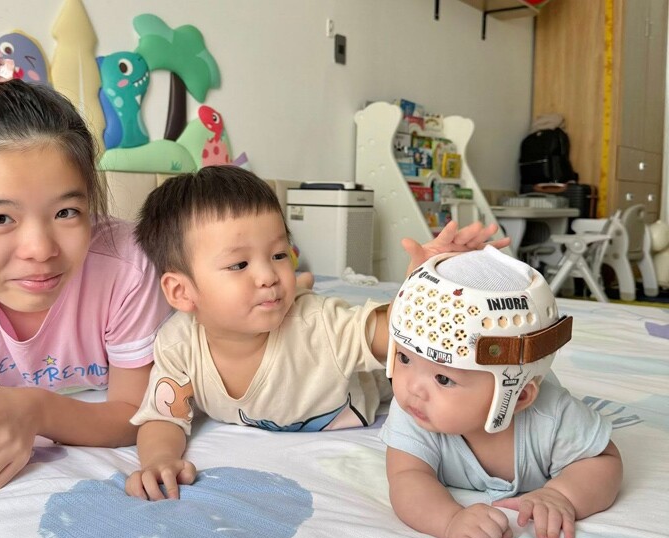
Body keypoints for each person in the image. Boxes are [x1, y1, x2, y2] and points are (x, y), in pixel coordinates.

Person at [0, 21, 171, 491]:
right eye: (0, 218)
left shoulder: (127, 262)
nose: (41, 249)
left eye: (66, 212)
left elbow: (134, 414)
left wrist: (36, 410)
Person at [125, 166, 507, 500]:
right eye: (239, 264)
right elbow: (164, 417)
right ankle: (307, 282)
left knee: (392, 344)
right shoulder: (178, 344)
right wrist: (160, 460)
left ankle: (306, 286)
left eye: (279, 255)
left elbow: (396, 333)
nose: (268, 275)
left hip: (373, 375)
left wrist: (423, 286)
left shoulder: (318, 326)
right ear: (181, 292)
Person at [381, 246, 622, 538]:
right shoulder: (414, 413)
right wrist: (449, 521)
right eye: (404, 358)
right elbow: (406, 479)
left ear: (518, 397)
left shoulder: (552, 416)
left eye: (443, 378)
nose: (413, 388)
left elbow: (604, 461)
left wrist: (562, 495)